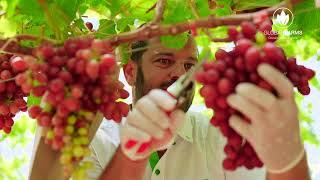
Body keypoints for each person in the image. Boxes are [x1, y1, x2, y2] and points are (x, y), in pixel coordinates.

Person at [84, 35, 311, 180]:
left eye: (189, 65)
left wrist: (288, 164)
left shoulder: (218, 137)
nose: (180, 75)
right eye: (164, 61)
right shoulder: (99, 141)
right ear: (131, 72)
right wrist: (131, 158)